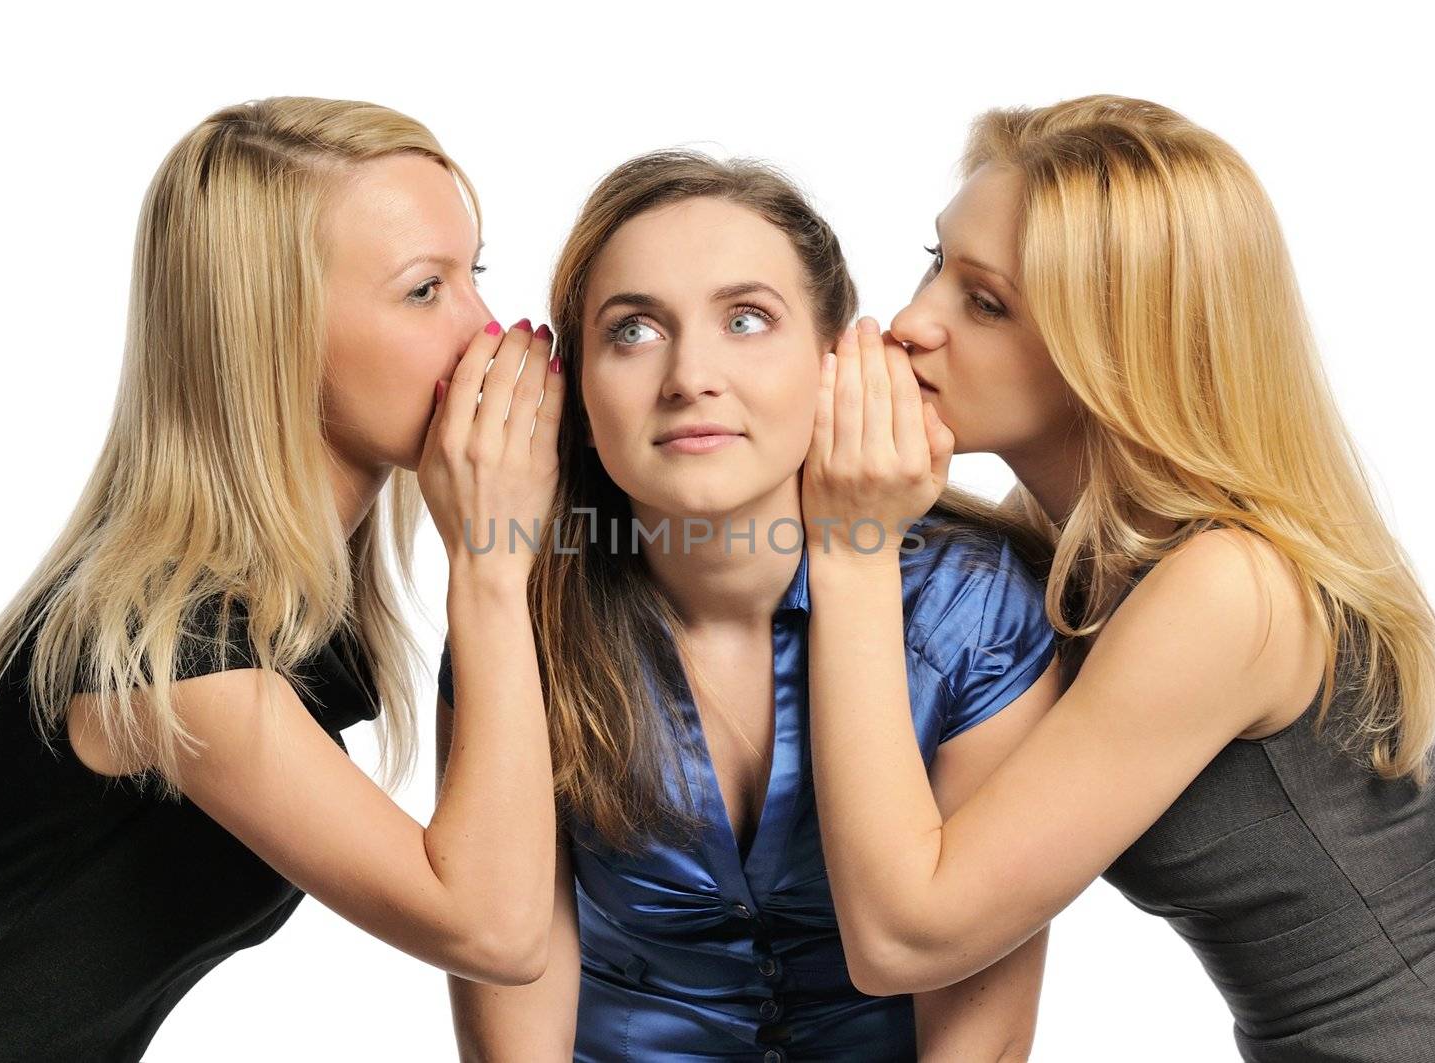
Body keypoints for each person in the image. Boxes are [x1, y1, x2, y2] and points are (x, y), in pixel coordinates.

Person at [804, 94, 1435, 1061]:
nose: (914, 322)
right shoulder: (1075, 553)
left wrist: (852, 550)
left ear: (1115, 352)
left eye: (986, 302)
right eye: (935, 263)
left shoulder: (1228, 589)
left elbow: (905, 934)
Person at [0, 96, 565, 1062]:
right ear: (273, 335)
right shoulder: (167, 644)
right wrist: (491, 565)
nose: (484, 330)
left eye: (476, 275)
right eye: (425, 291)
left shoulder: (276, 613)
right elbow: (494, 929)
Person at [440, 150, 1062, 1062]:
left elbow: (981, 1043)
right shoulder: (518, 616)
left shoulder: (971, 610)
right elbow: (513, 1022)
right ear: (576, 382)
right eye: (634, 331)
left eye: (745, 319)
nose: (691, 374)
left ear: (834, 356)